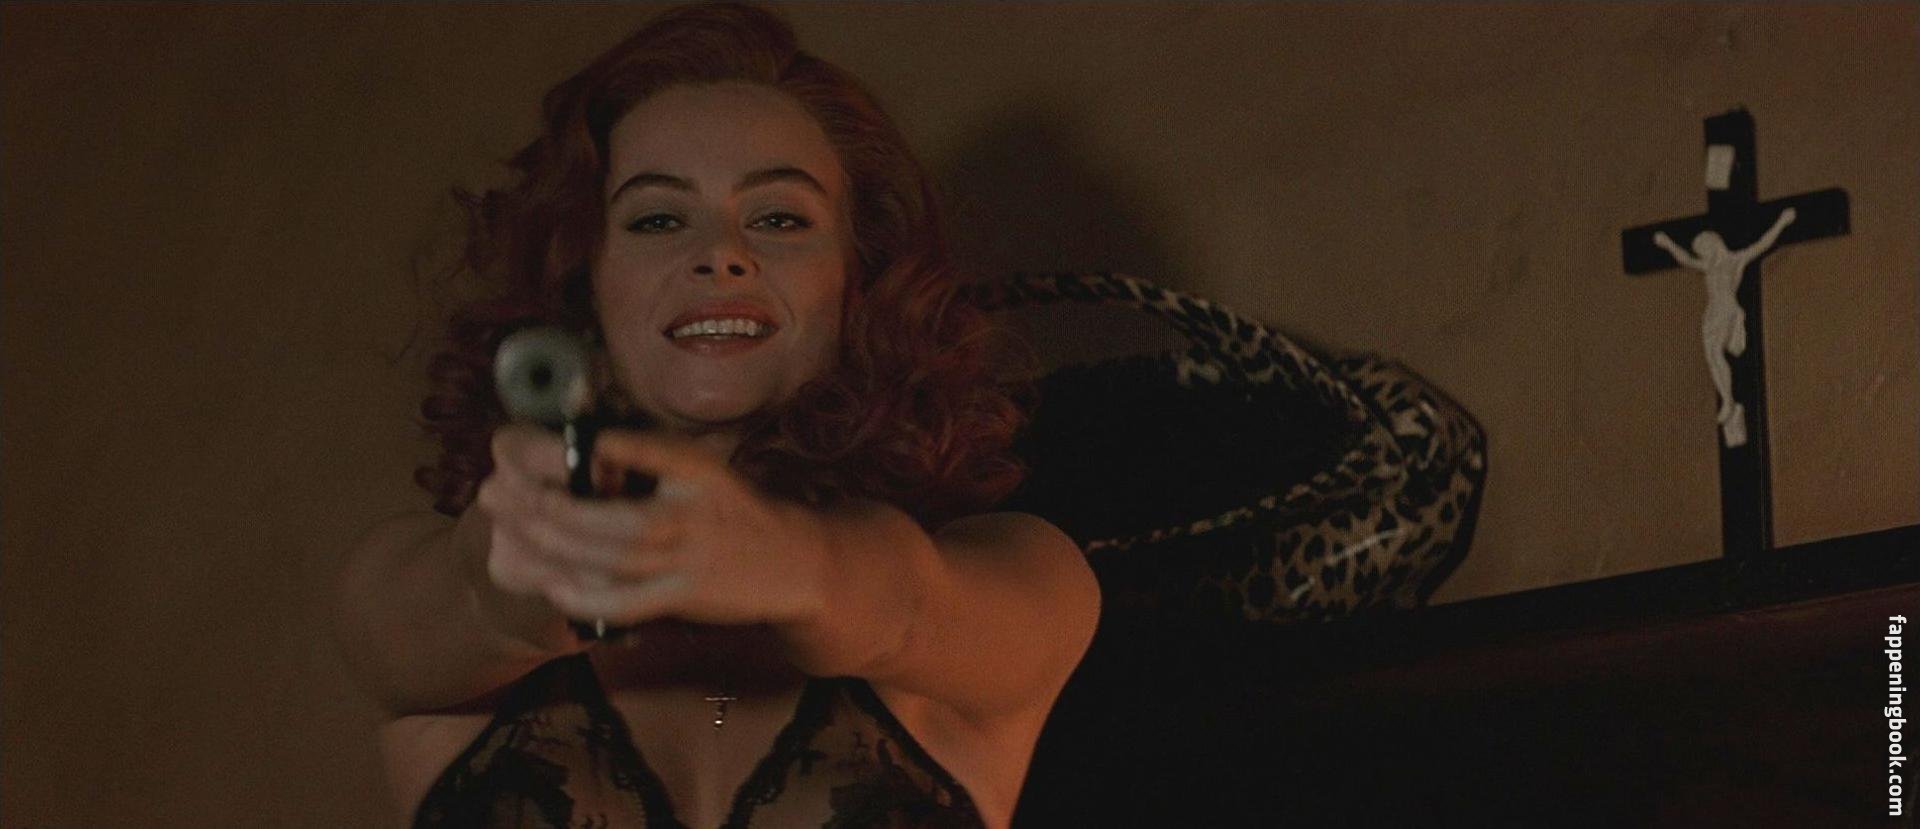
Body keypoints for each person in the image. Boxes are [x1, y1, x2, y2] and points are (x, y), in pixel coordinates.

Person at [330, 4, 1101, 828]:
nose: (720, 253)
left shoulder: (1022, 573)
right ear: (583, 278)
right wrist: (547, 554)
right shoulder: (403, 583)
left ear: (857, 277)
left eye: (779, 218)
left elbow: (911, 606)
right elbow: (464, 603)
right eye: (658, 218)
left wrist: (795, 560)